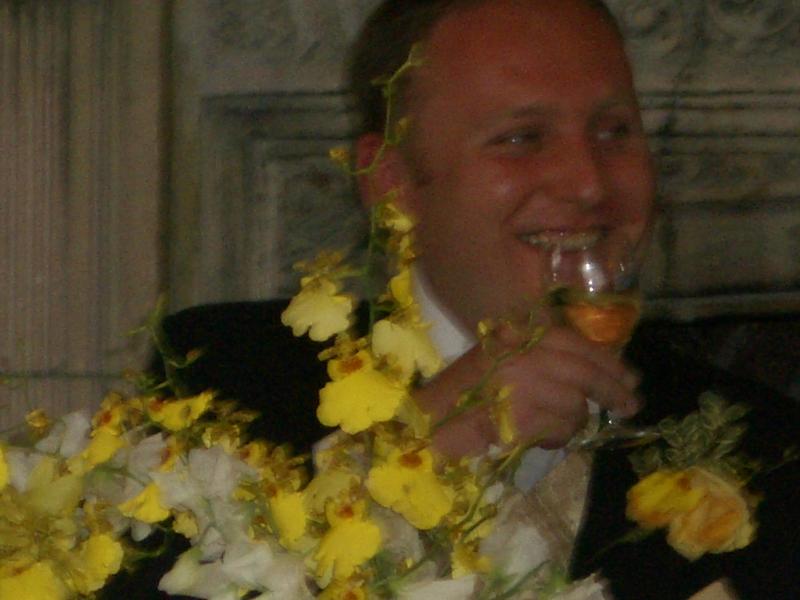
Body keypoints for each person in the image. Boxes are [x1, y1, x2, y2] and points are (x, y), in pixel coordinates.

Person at [133, 1, 798, 599]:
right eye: (522, 138)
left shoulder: (762, 448)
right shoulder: (222, 384)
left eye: (614, 131)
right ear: (391, 182)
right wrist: (427, 447)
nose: (589, 183)